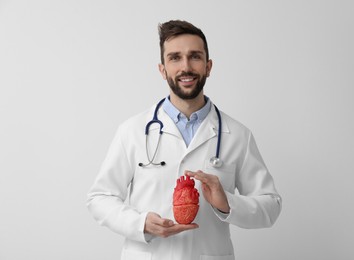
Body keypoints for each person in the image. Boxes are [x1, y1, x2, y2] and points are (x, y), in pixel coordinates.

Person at [87, 20, 282, 260]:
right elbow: (100, 198)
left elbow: (271, 207)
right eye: (175, 58)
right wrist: (140, 223)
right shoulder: (132, 130)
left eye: (195, 57)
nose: (186, 67)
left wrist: (227, 203)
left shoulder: (238, 135)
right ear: (163, 69)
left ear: (208, 67)